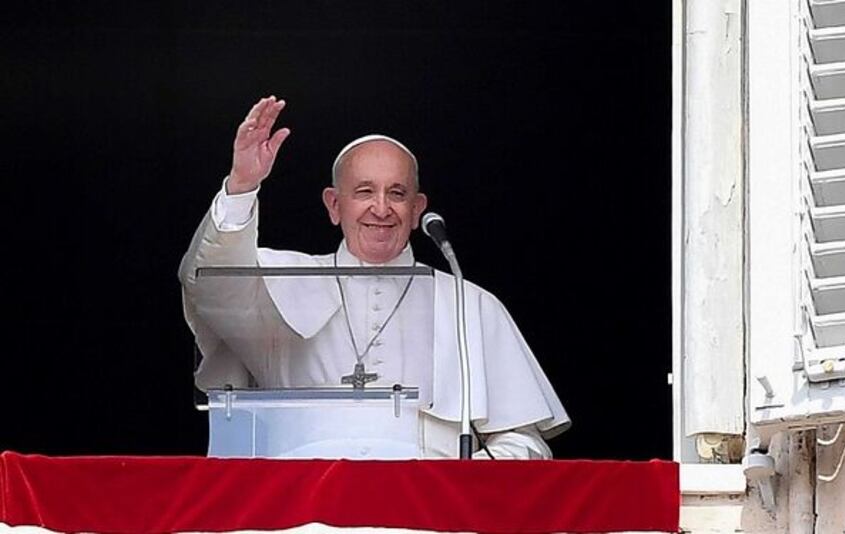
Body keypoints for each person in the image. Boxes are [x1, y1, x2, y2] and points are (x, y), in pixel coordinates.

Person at [179, 96, 569, 459]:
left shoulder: (470, 305)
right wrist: (242, 186)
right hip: (304, 513)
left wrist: (457, 484)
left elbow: (524, 442)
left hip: (426, 517)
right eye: (364, 191)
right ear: (334, 205)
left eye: (396, 194)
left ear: (417, 209)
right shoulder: (280, 281)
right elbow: (207, 286)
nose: (381, 208)